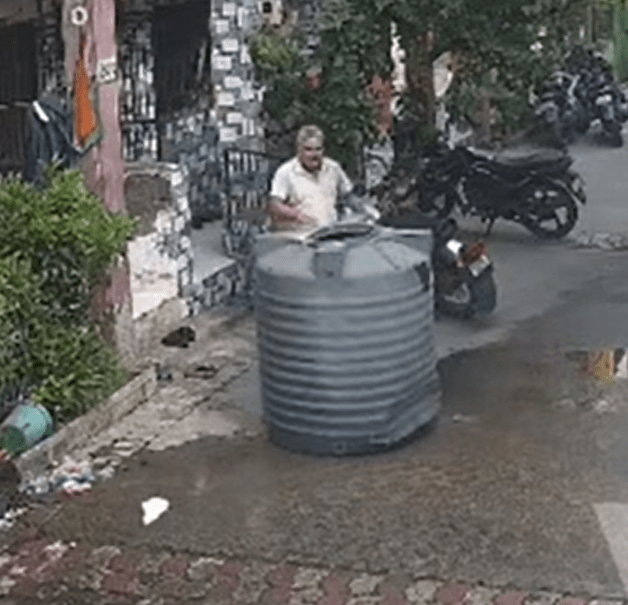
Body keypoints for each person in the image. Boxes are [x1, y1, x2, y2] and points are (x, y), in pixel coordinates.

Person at [267, 125, 356, 236]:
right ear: (299, 150)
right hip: (300, 239)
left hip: (330, 235)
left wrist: (364, 211)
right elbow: (274, 205)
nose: (314, 155)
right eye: (308, 150)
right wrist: (294, 214)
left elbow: (349, 196)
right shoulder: (286, 172)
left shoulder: (333, 168)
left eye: (318, 149)